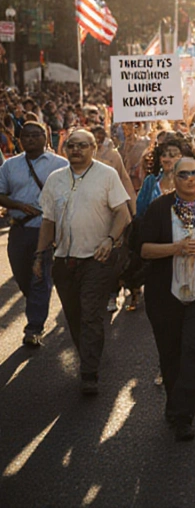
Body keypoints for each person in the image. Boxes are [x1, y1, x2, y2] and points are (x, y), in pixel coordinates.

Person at [138, 156, 195, 441]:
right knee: (171, 353)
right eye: (183, 174)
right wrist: (176, 248)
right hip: (166, 294)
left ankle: (184, 415)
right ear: (173, 178)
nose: (190, 178)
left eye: (194, 173)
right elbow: (143, 250)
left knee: (193, 351)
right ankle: (174, 403)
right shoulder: (159, 209)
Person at [34, 129, 132, 394]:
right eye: (71, 146)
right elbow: (48, 221)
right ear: (65, 149)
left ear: (94, 148)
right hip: (64, 260)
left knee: (90, 314)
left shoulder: (107, 175)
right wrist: (39, 255)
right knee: (74, 316)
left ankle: (89, 372)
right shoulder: (55, 179)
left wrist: (110, 240)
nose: (76, 150)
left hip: (97, 259)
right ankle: (90, 353)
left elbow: (123, 214)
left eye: (82, 145)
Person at [0, 121, 69, 347]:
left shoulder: (60, 165)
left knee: (40, 276)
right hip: (19, 230)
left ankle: (34, 327)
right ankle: (37, 306)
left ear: (45, 137)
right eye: (25, 135)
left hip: (46, 230)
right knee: (22, 275)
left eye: (35, 135)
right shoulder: (10, 166)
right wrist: (18, 205)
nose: (29, 139)